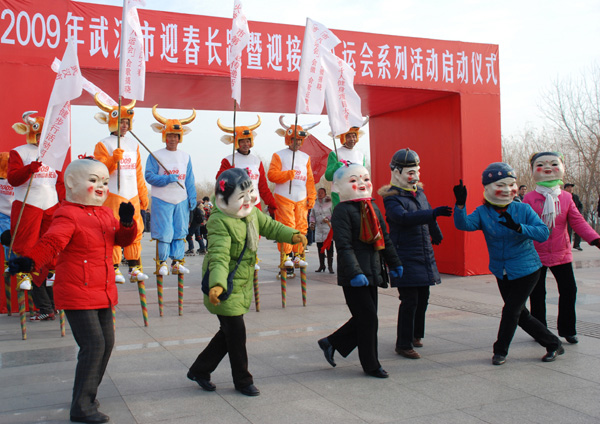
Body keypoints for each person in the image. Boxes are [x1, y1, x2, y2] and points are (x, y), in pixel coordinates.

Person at [8, 158, 137, 423]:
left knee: (106, 343)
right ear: (70, 183)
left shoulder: (104, 213)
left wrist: (126, 223)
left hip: (102, 290)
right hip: (77, 290)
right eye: (93, 180)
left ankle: (87, 395)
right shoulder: (67, 213)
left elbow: (121, 241)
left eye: (103, 181)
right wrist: (30, 261)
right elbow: (52, 242)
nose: (100, 186)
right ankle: (82, 406)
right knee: (93, 345)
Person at [188, 168, 307, 396]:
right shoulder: (219, 221)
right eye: (242, 196)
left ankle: (199, 370)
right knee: (236, 334)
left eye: (250, 192)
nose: (250, 199)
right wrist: (218, 285)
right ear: (224, 200)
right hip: (224, 285)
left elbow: (271, 226)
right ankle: (243, 381)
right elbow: (219, 257)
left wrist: (292, 235)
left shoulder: (251, 212)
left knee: (228, 333)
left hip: (240, 282)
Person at [453, 162, 563, 365]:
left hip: (527, 269)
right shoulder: (483, 212)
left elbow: (543, 233)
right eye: (500, 185)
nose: (507, 190)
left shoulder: (523, 209)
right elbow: (464, 224)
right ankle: (553, 343)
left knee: (511, 311)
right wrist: (460, 205)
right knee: (520, 314)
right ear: (487, 188)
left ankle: (500, 351)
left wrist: (519, 228)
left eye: (510, 185)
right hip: (501, 271)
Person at [317, 163, 403, 378]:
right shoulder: (341, 211)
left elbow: (385, 238)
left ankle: (331, 342)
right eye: (354, 180)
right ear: (340, 186)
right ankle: (371, 365)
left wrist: (395, 262)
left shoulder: (372, 207)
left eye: (365, 179)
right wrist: (355, 273)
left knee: (367, 318)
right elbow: (344, 246)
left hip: (373, 271)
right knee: (368, 319)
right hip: (353, 276)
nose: (362, 184)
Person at [378, 149, 452, 359]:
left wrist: (435, 231)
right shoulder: (391, 198)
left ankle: (416, 334)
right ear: (396, 171)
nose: (415, 176)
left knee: (423, 297)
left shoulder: (419, 193)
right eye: (410, 172)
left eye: (417, 171)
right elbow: (402, 218)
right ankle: (403, 343)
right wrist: (432, 213)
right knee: (409, 300)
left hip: (423, 252)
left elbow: (427, 213)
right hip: (404, 254)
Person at [524, 153, 600, 344]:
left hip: (561, 253)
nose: (548, 168)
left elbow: (578, 222)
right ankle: (540, 330)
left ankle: (567, 329)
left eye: (553, 164)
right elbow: (520, 225)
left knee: (569, 290)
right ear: (533, 170)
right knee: (537, 293)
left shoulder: (566, 198)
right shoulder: (529, 199)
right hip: (535, 254)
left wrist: (596, 239)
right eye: (541, 165)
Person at [9, 111, 64, 320]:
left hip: (50, 205)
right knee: (28, 247)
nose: (41, 139)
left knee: (50, 250)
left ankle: (50, 305)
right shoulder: (19, 152)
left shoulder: (54, 156)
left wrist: (65, 204)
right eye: (38, 135)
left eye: (45, 135)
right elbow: (13, 179)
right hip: (28, 204)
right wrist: (28, 169)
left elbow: (59, 183)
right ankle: (40, 299)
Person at [93, 94, 149, 284]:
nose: (124, 125)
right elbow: (98, 172)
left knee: (135, 230)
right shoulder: (103, 144)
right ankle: (115, 268)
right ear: (112, 121)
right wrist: (111, 161)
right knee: (113, 229)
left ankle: (134, 267)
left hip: (131, 194)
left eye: (127, 122)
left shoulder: (134, 145)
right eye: (121, 121)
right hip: (113, 196)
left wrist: (143, 193)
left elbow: (138, 173)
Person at [145, 106, 197, 276]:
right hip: (162, 199)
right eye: (169, 136)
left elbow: (189, 179)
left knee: (180, 231)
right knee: (164, 232)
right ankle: (162, 263)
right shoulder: (155, 155)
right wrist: (166, 179)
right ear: (164, 136)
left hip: (180, 200)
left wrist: (192, 197)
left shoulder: (186, 156)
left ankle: (177, 262)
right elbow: (149, 176)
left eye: (175, 136)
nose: (172, 139)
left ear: (180, 137)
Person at [268, 116, 318, 276]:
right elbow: (272, 175)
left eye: (299, 140)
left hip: (301, 198)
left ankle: (297, 255)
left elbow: (310, 180)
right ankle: (286, 256)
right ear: (288, 139)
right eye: (294, 139)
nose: (297, 143)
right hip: (284, 197)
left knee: (301, 227)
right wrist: (287, 175)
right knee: (287, 226)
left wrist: (312, 196)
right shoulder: (279, 155)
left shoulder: (305, 158)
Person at [216, 115, 277, 215]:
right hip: (236, 205)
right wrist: (229, 174)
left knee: (255, 231)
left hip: (255, 204)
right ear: (236, 143)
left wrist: (272, 203)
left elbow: (263, 187)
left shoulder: (257, 161)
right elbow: (219, 180)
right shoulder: (229, 160)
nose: (245, 144)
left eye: (248, 141)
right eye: (242, 141)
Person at [324, 119, 369, 207]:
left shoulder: (361, 155)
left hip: (357, 194)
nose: (352, 139)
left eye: (354, 136)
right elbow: (328, 176)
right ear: (343, 137)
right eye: (349, 136)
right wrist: (335, 168)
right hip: (339, 194)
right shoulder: (335, 153)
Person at [309, 187, 334, 273]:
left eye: (322, 193)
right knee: (320, 248)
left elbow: (333, 214)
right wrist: (312, 222)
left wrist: (328, 218)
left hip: (327, 229)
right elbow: (312, 215)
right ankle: (321, 265)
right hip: (318, 229)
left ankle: (330, 267)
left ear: (325, 194)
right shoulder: (314, 203)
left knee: (329, 249)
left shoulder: (330, 203)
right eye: (319, 192)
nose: (320, 194)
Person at [0, 153, 15, 269]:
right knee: (7, 238)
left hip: (16, 214)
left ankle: (11, 262)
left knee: (13, 240)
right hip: (2, 215)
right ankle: (10, 262)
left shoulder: (16, 180)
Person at [563, 183, 584, 250]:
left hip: (575, 217)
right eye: (569, 187)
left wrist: (579, 212)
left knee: (579, 231)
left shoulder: (575, 197)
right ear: (565, 189)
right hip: (566, 217)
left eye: (571, 187)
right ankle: (567, 245)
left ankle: (577, 245)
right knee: (568, 232)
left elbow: (580, 205)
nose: (571, 189)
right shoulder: (562, 196)